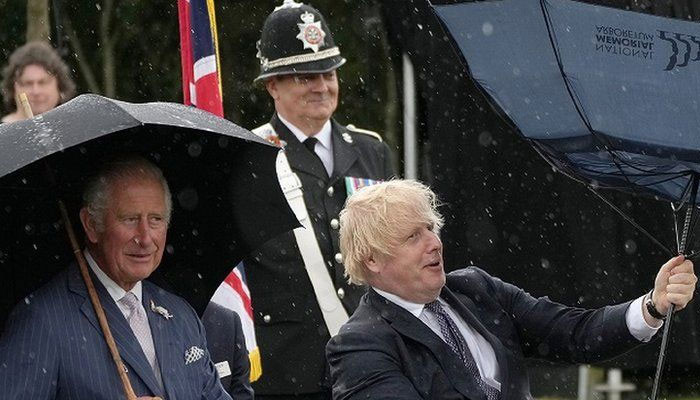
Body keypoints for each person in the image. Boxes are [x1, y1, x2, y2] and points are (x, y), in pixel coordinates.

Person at [327, 179, 698, 400]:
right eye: (413, 237)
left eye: (431, 228)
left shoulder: (476, 288)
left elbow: (573, 333)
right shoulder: (359, 345)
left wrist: (653, 305)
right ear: (372, 260)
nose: (434, 243)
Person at [207, 1, 394, 399]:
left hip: (371, 361)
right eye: (305, 76)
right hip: (288, 370)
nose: (321, 86)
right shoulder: (247, 159)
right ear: (272, 85)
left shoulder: (371, 151)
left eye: (328, 73)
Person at [0, 156, 231, 399]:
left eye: (156, 219)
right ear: (91, 224)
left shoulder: (181, 314)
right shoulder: (41, 320)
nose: (145, 238)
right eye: (130, 219)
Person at [1, 41, 76, 123]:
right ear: (13, 88)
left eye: (43, 82)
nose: (36, 91)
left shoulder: (76, 125)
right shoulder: (3, 130)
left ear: (59, 85)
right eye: (28, 83)